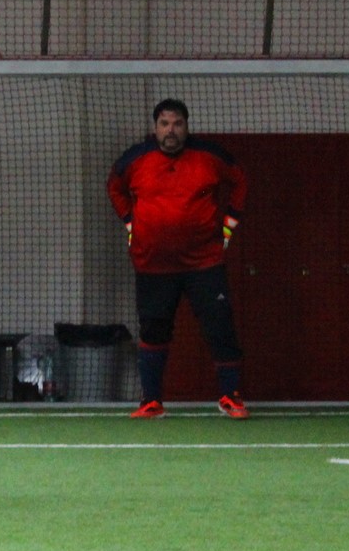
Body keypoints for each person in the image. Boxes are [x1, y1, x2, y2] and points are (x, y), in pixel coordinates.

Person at [106, 98, 248, 418]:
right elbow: (114, 187)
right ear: (155, 127)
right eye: (165, 124)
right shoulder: (134, 159)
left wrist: (228, 227)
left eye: (178, 123)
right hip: (153, 264)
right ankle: (151, 402)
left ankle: (231, 397)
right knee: (153, 330)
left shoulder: (210, 156)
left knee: (220, 327)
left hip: (205, 263)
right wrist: (130, 223)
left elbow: (240, 180)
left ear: (187, 126)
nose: (171, 130)